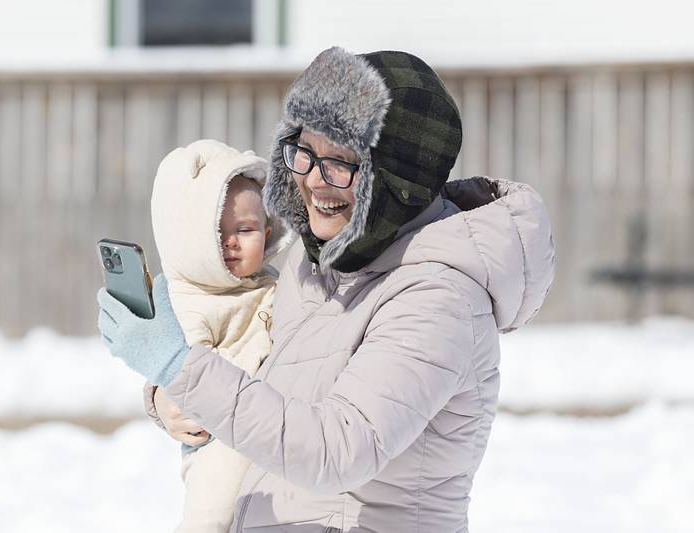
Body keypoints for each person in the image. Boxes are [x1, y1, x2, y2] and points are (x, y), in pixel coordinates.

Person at [98, 47, 555, 532]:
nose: (315, 179)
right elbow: (247, 374)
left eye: (341, 162)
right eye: (306, 152)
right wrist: (172, 398)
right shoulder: (314, 263)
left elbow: (336, 451)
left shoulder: (438, 299)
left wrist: (178, 365)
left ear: (398, 180)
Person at [98, 139, 292, 533]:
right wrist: (161, 394)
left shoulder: (276, 286)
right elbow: (179, 369)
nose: (233, 242)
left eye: (246, 229)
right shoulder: (185, 297)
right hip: (220, 444)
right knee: (212, 515)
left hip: (275, 437)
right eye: (217, 233)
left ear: (268, 232)